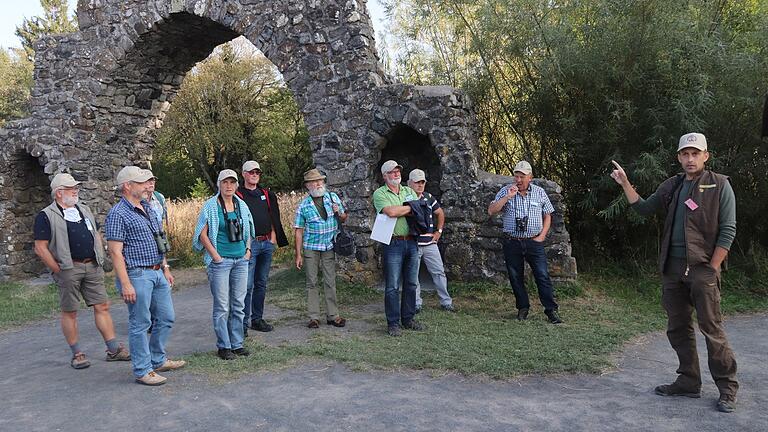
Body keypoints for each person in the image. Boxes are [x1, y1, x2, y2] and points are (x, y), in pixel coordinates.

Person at [610, 132, 738, 413]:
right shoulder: (673, 185)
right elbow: (644, 208)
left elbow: (728, 230)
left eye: (695, 154)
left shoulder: (720, 185)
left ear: (706, 156)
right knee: (678, 327)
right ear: (679, 157)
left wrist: (712, 267)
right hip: (673, 268)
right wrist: (624, 183)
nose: (690, 159)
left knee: (711, 329)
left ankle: (727, 388)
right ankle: (689, 382)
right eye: (685, 154)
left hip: (704, 268)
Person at [33, 173, 130, 369]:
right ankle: (77, 353)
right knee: (70, 311)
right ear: (59, 193)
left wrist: (101, 255)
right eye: (71, 188)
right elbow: (40, 247)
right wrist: (57, 269)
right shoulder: (46, 215)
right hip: (68, 268)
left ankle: (113, 349)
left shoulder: (83, 209)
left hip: (92, 265)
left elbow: (95, 233)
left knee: (102, 306)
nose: (76, 190)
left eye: (75, 187)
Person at [106, 166, 185, 386]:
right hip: (137, 274)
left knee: (167, 317)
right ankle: (142, 369)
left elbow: (160, 239)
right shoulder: (118, 214)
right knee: (140, 322)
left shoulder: (148, 207)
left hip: (157, 271)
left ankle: (157, 360)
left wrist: (166, 267)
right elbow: (115, 252)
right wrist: (125, 283)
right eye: (140, 183)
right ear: (127, 186)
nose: (145, 186)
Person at [487, 161, 563, 324]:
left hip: (533, 242)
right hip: (512, 241)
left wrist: (542, 235)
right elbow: (491, 211)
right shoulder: (506, 191)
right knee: (515, 277)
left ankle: (551, 311)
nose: (519, 180)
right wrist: (508, 197)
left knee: (542, 276)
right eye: (516, 176)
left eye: (522, 177)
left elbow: (548, 214)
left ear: (530, 177)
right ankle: (523, 308)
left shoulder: (539, 192)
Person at [194, 169, 254, 360]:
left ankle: (237, 344)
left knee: (238, 304)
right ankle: (223, 346)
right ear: (219, 185)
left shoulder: (242, 205)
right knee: (222, 306)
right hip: (220, 262)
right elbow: (202, 234)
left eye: (232, 183)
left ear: (237, 185)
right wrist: (215, 256)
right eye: (225, 182)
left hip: (241, 261)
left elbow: (249, 229)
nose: (229, 186)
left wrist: (248, 251)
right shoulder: (211, 206)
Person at [372, 160, 424, 336]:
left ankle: (408, 319)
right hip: (392, 242)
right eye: (392, 172)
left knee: (410, 283)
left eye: (398, 171)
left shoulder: (409, 190)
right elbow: (390, 212)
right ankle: (393, 323)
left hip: (411, 241)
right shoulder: (379, 193)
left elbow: (419, 210)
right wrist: (409, 209)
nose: (396, 174)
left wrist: (403, 209)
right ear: (385, 175)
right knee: (392, 286)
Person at [237, 161, 288, 335]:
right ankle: (242, 324)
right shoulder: (238, 195)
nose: (255, 175)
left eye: (257, 172)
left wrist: (273, 238)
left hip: (266, 243)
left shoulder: (266, 193)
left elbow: (273, 215)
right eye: (251, 172)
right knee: (247, 285)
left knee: (261, 283)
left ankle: (256, 319)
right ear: (243, 174)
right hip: (249, 245)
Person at [293, 168, 348, 329]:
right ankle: (314, 317)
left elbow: (344, 218)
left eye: (320, 181)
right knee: (312, 281)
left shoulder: (333, 198)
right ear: (307, 186)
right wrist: (298, 255)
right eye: (313, 182)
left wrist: (339, 212)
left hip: (329, 245)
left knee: (330, 280)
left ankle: (333, 316)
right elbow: (298, 230)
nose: (318, 184)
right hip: (311, 247)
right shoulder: (304, 205)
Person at [406, 169, 454, 312]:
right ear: (409, 183)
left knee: (439, 272)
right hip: (413, 243)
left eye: (422, 182)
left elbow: (440, 213)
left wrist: (438, 232)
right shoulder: (405, 198)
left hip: (430, 243)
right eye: (417, 182)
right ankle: (416, 304)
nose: (420, 185)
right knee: (413, 275)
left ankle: (446, 302)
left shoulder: (429, 197)